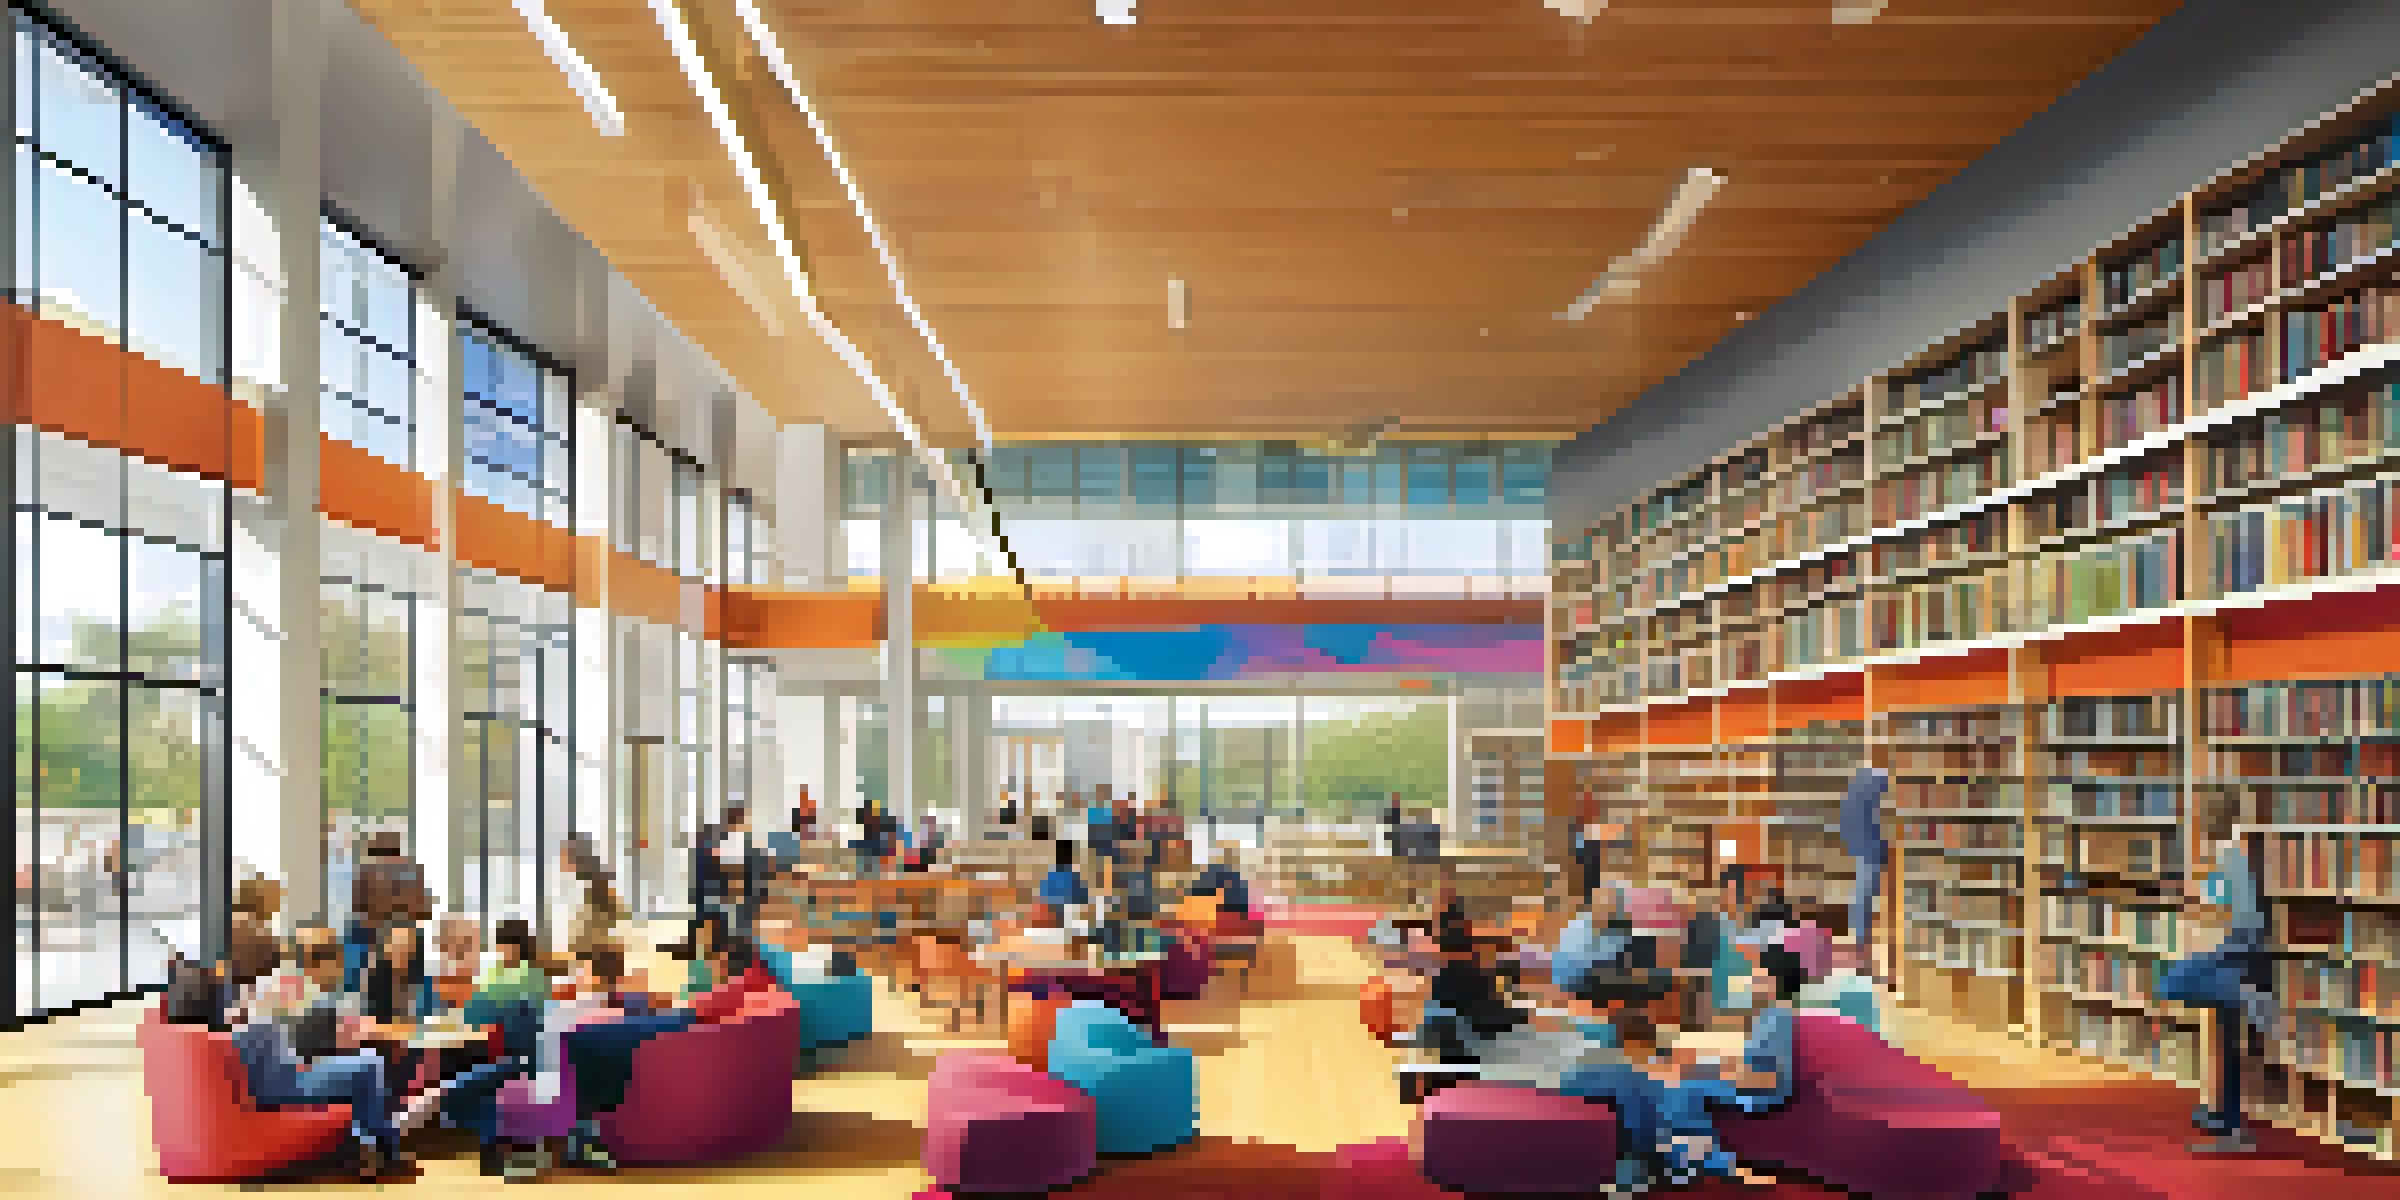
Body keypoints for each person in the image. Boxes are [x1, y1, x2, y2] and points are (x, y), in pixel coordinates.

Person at [233, 927, 441, 1178]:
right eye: (335, 960)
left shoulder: (276, 983)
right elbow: (347, 1029)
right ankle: (386, 1153)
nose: (340, 969)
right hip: (282, 1084)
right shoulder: (299, 987)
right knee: (369, 1065)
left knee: (364, 1067)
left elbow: (324, 1034)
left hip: (270, 1079)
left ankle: (367, 1150)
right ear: (320, 961)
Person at [2160, 834, 2274, 1153]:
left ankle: (2230, 1124)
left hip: (2240, 969)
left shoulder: (2232, 861)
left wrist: (2208, 949)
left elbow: (2243, 930)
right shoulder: (2234, 863)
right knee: (2224, 1040)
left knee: (2175, 983)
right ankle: (2224, 1117)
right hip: (2235, 965)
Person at [1840, 766, 1890, 956]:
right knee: (1867, 893)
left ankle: (1862, 941)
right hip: (1871, 848)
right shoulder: (1873, 781)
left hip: (1867, 848)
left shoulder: (1862, 780)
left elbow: (1848, 816)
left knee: (1864, 894)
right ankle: (1863, 943)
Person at [560, 833, 626, 961]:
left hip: (595, 954)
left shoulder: (597, 885)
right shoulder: (587, 884)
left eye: (567, 855)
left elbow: (603, 923)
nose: (564, 861)